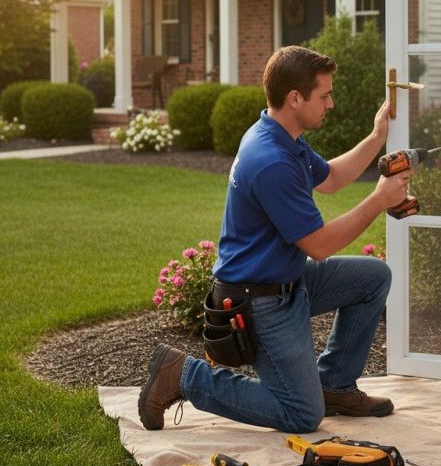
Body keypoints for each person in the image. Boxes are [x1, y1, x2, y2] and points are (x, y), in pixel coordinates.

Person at [138, 45, 411, 433]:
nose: (330, 104)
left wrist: (376, 136)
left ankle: (333, 384)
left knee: (373, 278)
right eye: (325, 95)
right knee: (301, 415)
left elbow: (331, 179)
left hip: (286, 281)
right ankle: (182, 375)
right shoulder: (271, 161)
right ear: (294, 98)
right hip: (259, 301)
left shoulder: (283, 136)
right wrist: (380, 199)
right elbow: (318, 246)